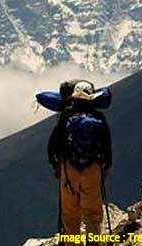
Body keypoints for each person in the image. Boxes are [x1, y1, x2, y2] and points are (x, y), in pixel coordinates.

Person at [47, 80, 112, 245]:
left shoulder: (66, 117)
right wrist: (105, 167)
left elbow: (53, 145)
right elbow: (106, 145)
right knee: (92, 214)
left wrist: (56, 166)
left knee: (70, 214)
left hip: (69, 170)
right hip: (93, 169)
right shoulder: (98, 117)